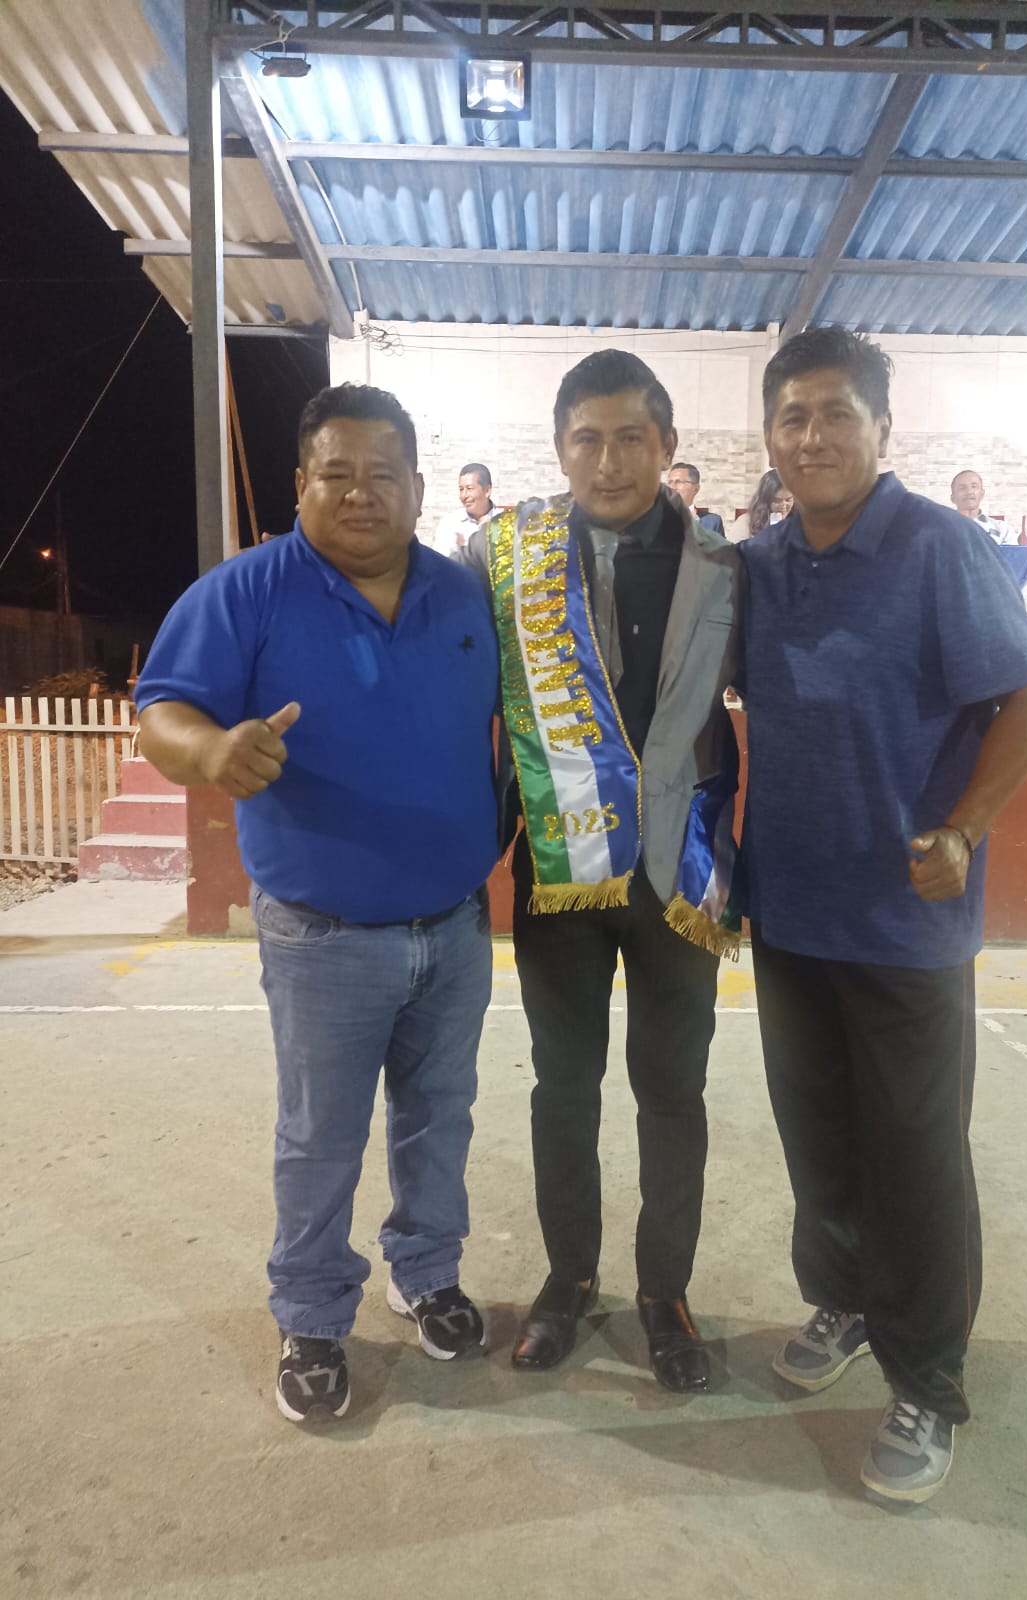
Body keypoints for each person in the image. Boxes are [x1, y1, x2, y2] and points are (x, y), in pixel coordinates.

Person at [135, 384, 500, 1423]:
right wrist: (212, 747)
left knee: (439, 1118)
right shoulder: (245, 592)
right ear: (300, 484)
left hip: (454, 926)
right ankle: (310, 1313)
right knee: (320, 1136)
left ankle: (425, 1273)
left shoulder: (464, 596)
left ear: (418, 487)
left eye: (383, 473)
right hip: (323, 937)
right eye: (335, 473)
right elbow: (160, 711)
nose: (359, 493)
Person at [740, 328, 1027, 1504]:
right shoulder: (759, 565)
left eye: (836, 413)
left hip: (906, 925)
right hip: (790, 910)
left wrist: (963, 829)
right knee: (818, 1139)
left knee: (915, 1160)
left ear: (883, 428)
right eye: (791, 417)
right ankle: (843, 1301)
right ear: (768, 437)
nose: (812, 436)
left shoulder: (939, 547)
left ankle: (927, 1379)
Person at [464, 350, 742, 1393]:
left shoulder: (727, 568)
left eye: (631, 438)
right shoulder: (507, 559)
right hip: (560, 868)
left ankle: (664, 1291)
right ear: (559, 448)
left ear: (668, 446)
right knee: (563, 1087)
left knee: (672, 1091)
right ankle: (569, 1278)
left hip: (678, 873)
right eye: (587, 439)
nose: (609, 460)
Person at [428, 462, 495, 555]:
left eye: (469, 488)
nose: (464, 495)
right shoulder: (450, 524)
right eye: (461, 489)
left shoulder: (503, 521)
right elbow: (439, 561)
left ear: (487, 491)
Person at [950, 469, 1016, 543]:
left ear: (982, 494)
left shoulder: (1003, 529)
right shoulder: (943, 528)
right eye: (962, 488)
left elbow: (1013, 550)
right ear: (953, 498)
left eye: (974, 486)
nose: (969, 492)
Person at [728, 469, 793, 543]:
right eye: (777, 501)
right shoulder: (746, 522)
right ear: (765, 500)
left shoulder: (799, 523)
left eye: (788, 500)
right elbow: (731, 547)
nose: (783, 505)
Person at [666, 461, 725, 536]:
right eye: (670, 482)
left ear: (696, 489)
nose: (672, 487)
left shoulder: (712, 522)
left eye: (679, 482)